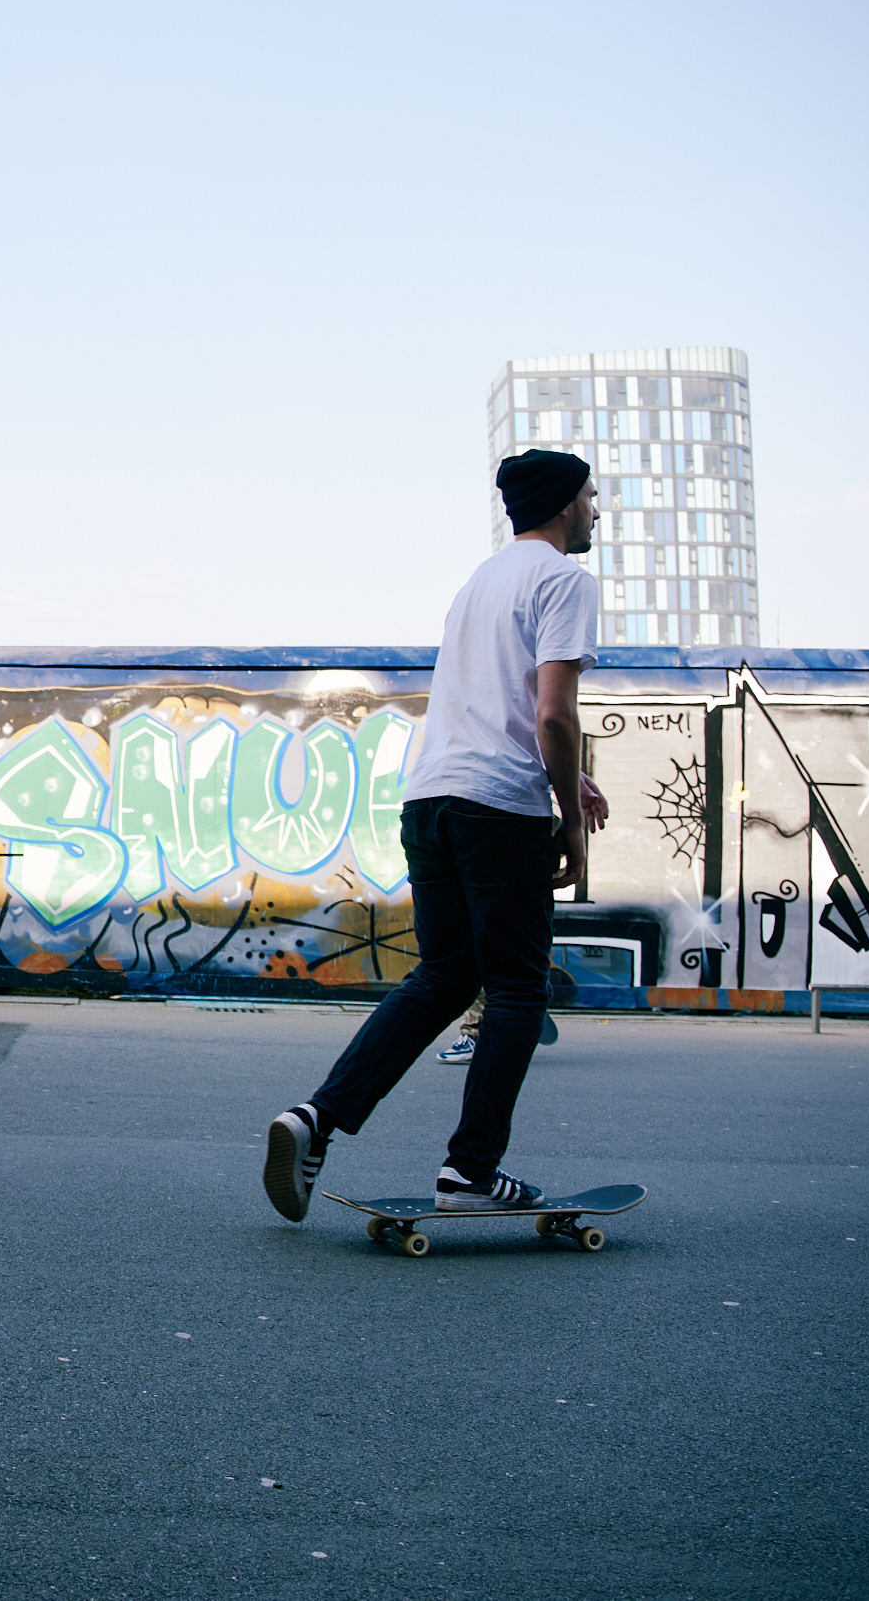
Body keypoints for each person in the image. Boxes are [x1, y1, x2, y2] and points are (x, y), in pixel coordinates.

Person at [264, 448, 610, 1222]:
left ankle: (315, 1118)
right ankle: (470, 1172)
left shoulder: (477, 585)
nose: (597, 510)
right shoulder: (566, 581)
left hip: (432, 799)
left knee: (445, 975)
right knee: (519, 985)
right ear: (560, 505)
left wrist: (567, 777)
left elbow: (498, 707)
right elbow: (552, 712)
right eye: (591, 497)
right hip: (499, 809)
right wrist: (569, 822)